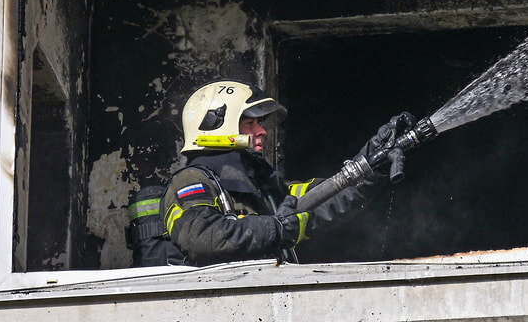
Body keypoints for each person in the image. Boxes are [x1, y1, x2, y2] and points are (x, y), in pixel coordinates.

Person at [161, 79, 414, 266]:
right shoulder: (191, 181)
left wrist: (368, 166)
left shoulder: (264, 188)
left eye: (260, 124)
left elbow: (318, 200)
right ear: (216, 125)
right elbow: (202, 237)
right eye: (250, 123)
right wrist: (276, 229)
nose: (261, 132)